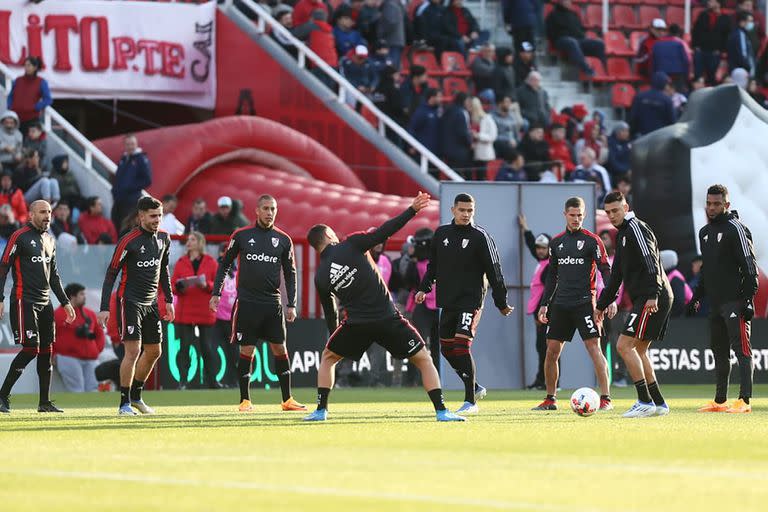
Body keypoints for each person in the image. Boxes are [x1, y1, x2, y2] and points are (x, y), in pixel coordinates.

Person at [305, 192, 465, 422]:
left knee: (328, 358)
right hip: (387, 318)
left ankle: (321, 410)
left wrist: (335, 339)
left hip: (356, 324)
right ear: (331, 236)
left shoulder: (320, 276)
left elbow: (330, 312)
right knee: (424, 359)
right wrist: (412, 210)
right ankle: (441, 411)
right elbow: (384, 231)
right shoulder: (351, 243)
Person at [416, 193, 513, 414]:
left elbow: (494, 271)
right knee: (447, 349)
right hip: (448, 301)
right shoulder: (441, 234)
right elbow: (433, 266)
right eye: (462, 210)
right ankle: (475, 387)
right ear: (453, 210)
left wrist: (501, 302)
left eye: (470, 210)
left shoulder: (481, 237)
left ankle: (470, 401)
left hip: (471, 301)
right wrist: (424, 288)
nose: (466, 214)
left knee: (461, 346)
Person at [210, 195, 305, 412]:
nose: (270, 212)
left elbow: (290, 273)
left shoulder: (283, 239)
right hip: (248, 303)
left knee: (280, 349)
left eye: (273, 209)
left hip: (273, 304)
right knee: (247, 351)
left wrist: (292, 304)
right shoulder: (242, 235)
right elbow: (225, 264)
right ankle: (245, 400)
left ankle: (287, 400)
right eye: (266, 208)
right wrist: (216, 292)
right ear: (257, 211)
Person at [532, 197, 614, 411]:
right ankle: (550, 399)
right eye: (572, 215)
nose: (576, 219)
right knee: (551, 351)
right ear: (565, 215)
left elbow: (605, 269)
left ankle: (605, 399)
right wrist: (544, 304)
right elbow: (552, 277)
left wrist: (610, 299)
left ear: (584, 215)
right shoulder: (556, 242)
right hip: (560, 305)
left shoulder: (592, 240)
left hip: (585, 303)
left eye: (579, 215)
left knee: (594, 348)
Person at [596, 191, 673, 418]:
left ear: (626, 207)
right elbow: (617, 275)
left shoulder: (635, 228)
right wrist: (601, 305)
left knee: (623, 346)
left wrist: (653, 294)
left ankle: (644, 401)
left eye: (615, 210)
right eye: (608, 212)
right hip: (650, 296)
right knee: (638, 349)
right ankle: (658, 403)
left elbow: (652, 261)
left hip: (651, 297)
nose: (611, 215)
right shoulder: (623, 235)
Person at [98, 196, 174, 416]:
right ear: (141, 216)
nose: (157, 220)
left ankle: (137, 397)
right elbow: (111, 273)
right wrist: (105, 307)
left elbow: (164, 270)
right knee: (132, 351)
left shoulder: (164, 238)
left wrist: (168, 299)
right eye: (152, 216)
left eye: (159, 215)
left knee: (154, 351)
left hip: (151, 304)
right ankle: (124, 404)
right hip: (129, 301)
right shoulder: (128, 240)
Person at [687, 184, 758, 414]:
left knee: (742, 350)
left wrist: (748, 299)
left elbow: (749, 267)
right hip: (715, 303)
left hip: (735, 301)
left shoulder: (735, 228)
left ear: (726, 204)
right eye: (709, 203)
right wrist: (697, 297)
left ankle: (744, 401)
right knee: (719, 351)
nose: (711, 207)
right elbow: (707, 270)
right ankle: (720, 401)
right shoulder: (705, 233)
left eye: (717, 204)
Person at [0, 200, 75, 414]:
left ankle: (44, 403)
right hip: (25, 301)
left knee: (46, 351)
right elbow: (3, 267)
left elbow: (55, 276)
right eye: (42, 212)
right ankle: (2, 395)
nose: (47, 216)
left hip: (45, 303)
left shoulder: (50, 240)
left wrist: (65, 302)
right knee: (31, 348)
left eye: (49, 212)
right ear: (31, 215)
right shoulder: (19, 236)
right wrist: (0, 298)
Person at [173, 232, 220, 390]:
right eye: (188, 240)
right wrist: (179, 287)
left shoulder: (211, 262)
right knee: (184, 348)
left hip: (204, 311)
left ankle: (212, 380)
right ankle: (183, 381)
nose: (189, 242)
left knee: (207, 348)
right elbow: (173, 285)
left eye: (192, 239)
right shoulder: (181, 262)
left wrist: (206, 285)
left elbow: (217, 285)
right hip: (185, 311)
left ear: (200, 242)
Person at [54, 283, 105, 393]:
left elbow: (100, 334)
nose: (84, 297)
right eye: (81, 294)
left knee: (93, 390)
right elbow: (49, 337)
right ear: (72, 296)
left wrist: (96, 350)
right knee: (76, 390)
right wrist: (52, 355)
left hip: (91, 358)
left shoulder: (89, 314)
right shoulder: (58, 314)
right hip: (68, 357)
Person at [519, 214, 550, 390]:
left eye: (543, 248)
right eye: (538, 248)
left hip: (545, 314)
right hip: (540, 314)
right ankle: (541, 380)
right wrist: (526, 229)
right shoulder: (543, 261)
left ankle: (550, 382)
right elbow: (532, 247)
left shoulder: (549, 265)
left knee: (549, 348)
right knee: (542, 348)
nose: (539, 250)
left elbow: (548, 292)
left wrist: (542, 313)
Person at [545, 0, 606, 76]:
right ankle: (586, 69)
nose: (569, 3)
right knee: (572, 42)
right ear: (560, 2)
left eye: (569, 1)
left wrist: (585, 37)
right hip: (562, 40)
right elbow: (550, 32)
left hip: (578, 40)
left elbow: (581, 29)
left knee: (599, 44)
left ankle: (603, 71)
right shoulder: (553, 15)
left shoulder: (574, 14)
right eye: (566, 1)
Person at [111, 134, 152, 233]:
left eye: (132, 144)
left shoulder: (141, 159)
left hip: (131, 201)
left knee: (127, 227)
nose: (130, 147)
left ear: (136, 144)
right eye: (128, 144)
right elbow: (118, 178)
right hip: (119, 200)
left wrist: (129, 188)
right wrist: (114, 191)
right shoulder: (124, 159)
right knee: (116, 224)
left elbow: (147, 180)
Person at [6, 57, 52, 136]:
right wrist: (10, 107)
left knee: (28, 145)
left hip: (31, 119)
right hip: (16, 119)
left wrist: (36, 107)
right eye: (25, 65)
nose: (26, 68)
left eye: (29, 65)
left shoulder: (41, 82)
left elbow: (48, 99)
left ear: (35, 67)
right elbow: (10, 96)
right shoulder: (18, 80)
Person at [692, 0, 732, 85]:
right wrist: (696, 46)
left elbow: (726, 36)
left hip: (715, 53)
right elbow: (695, 31)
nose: (709, 3)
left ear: (718, 3)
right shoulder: (703, 15)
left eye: (711, 1)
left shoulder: (725, 18)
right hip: (701, 51)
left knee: (712, 77)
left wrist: (721, 50)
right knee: (698, 76)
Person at [629, 71, 676, 137]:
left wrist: (632, 134)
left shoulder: (639, 97)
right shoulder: (667, 100)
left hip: (642, 135)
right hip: (659, 137)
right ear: (664, 84)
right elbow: (671, 120)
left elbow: (633, 117)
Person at [439, 93, 473, 178]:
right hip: (459, 150)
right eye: (467, 101)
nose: (469, 103)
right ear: (463, 101)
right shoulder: (461, 113)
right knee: (457, 175)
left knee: (451, 173)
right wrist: (470, 143)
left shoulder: (448, 110)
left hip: (447, 148)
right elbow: (463, 132)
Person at [407, 88, 443, 157]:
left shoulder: (439, 110)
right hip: (423, 151)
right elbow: (412, 128)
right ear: (432, 98)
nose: (441, 99)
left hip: (436, 151)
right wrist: (411, 145)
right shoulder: (421, 111)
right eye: (439, 96)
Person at [469, 96, 497, 180]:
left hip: (484, 154)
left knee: (482, 177)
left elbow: (493, 136)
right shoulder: (469, 118)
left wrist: (478, 135)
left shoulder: (487, 118)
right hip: (473, 153)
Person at [660, 249, 692, 317]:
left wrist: (669, 317)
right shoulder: (669, 275)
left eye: (660, 260)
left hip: (685, 316)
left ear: (667, 262)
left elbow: (679, 303)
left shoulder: (675, 278)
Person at [377, 0, 406, 69]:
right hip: (397, 40)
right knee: (394, 68)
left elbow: (391, 22)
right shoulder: (396, 3)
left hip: (392, 41)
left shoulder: (389, 5)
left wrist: (380, 33)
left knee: (391, 69)